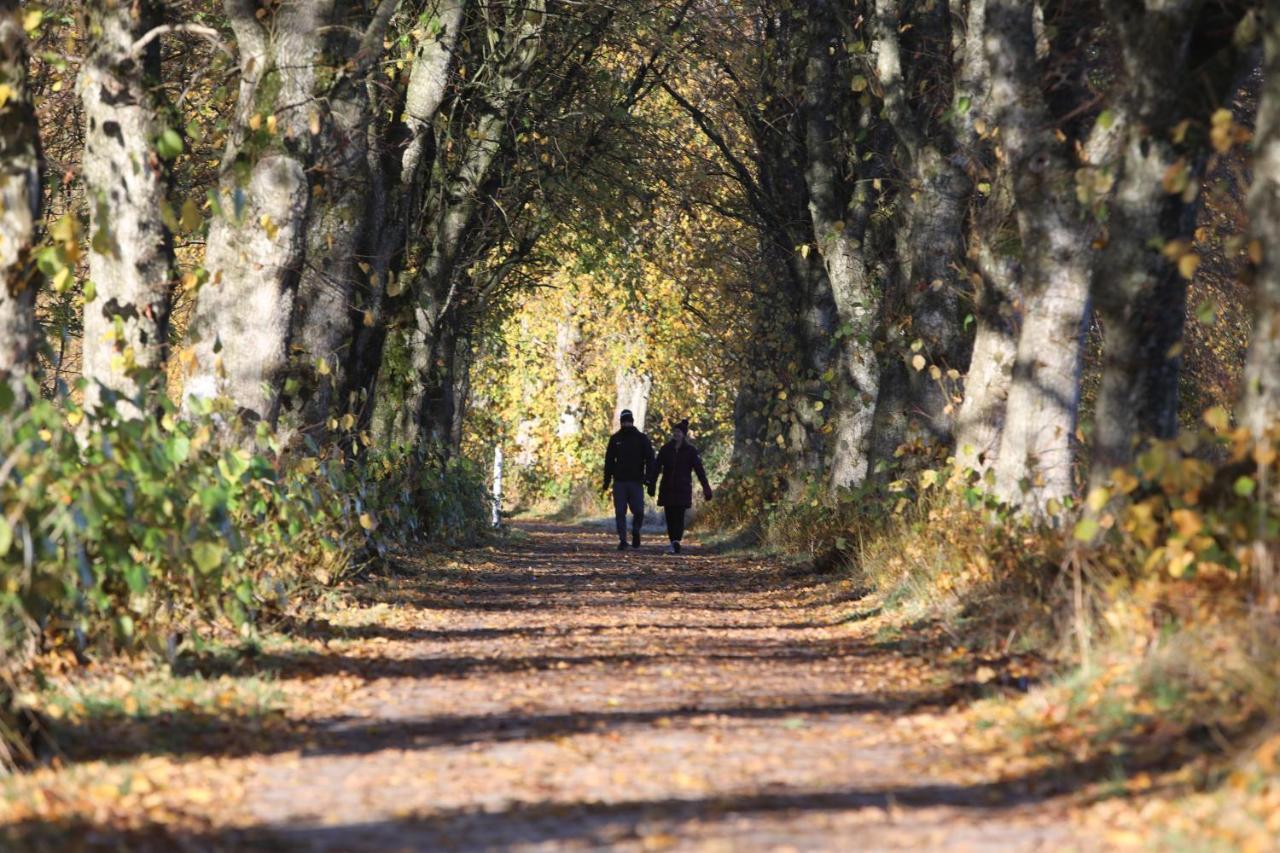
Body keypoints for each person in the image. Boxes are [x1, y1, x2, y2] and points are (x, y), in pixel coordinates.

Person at [649, 419, 712, 554]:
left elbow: (699, 470)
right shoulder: (665, 449)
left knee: (679, 516)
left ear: (683, 434)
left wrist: (706, 487)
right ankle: (673, 542)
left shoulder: (690, 451)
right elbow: (656, 467)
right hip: (667, 488)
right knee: (670, 516)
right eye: (675, 432)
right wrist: (651, 484)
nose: (676, 434)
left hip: (682, 488)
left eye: (678, 432)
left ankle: (676, 541)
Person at [602, 409, 656, 550]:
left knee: (638, 510)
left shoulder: (641, 439)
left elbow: (650, 459)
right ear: (621, 422)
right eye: (624, 421)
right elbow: (609, 461)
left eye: (628, 421)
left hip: (636, 481)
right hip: (619, 481)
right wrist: (606, 481)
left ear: (632, 421)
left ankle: (636, 530)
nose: (626, 424)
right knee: (620, 512)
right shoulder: (615, 439)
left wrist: (649, 478)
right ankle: (623, 539)